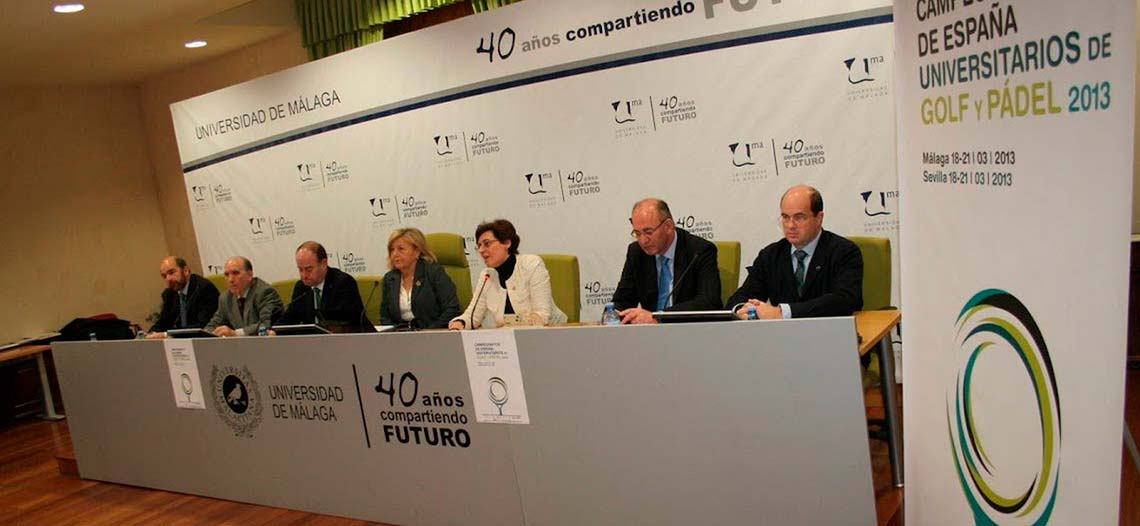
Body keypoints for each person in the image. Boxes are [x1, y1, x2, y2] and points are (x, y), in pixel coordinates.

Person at [726, 184, 863, 319]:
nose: (790, 225)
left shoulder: (844, 251)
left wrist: (782, 313)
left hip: (828, 330)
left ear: (819, 219)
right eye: (785, 217)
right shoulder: (770, 255)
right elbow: (741, 297)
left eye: (799, 217)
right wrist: (742, 310)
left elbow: (845, 300)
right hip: (781, 333)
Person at [611, 198, 721, 324]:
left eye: (648, 232)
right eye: (637, 233)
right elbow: (622, 301)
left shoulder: (699, 250)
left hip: (688, 329)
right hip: (649, 333)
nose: (643, 240)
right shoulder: (636, 252)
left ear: (668, 226)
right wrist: (613, 315)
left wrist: (658, 317)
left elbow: (709, 302)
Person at [449, 219, 566, 329]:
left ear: (507, 242)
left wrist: (507, 327)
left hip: (551, 334)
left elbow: (542, 315)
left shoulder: (531, 264)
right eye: (479, 246)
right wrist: (459, 323)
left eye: (487, 244)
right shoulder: (486, 276)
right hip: (508, 339)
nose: (481, 250)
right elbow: (472, 316)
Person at [380, 228, 461, 329]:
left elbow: (452, 309)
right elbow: (385, 317)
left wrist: (428, 333)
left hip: (434, 332)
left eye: (401, 249)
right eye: (392, 250)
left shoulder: (433, 273)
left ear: (417, 251)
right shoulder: (390, 279)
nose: (395, 254)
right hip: (401, 335)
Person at [276, 241, 365, 326]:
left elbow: (345, 321)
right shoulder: (301, 287)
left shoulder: (343, 283)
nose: (304, 275)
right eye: (300, 269)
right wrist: (274, 331)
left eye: (309, 269)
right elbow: (290, 316)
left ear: (323, 264)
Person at [204, 256, 283, 337]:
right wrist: (204, 335)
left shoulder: (265, 292)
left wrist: (236, 333)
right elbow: (214, 324)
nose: (230, 280)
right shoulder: (225, 298)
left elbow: (266, 324)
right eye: (227, 275)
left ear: (249, 275)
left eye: (235, 273)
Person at [146, 256, 219, 338]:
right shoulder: (169, 294)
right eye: (164, 276)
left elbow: (202, 326)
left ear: (185, 271)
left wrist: (167, 335)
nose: (168, 279)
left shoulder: (204, 289)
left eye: (171, 272)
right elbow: (163, 322)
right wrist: (150, 335)